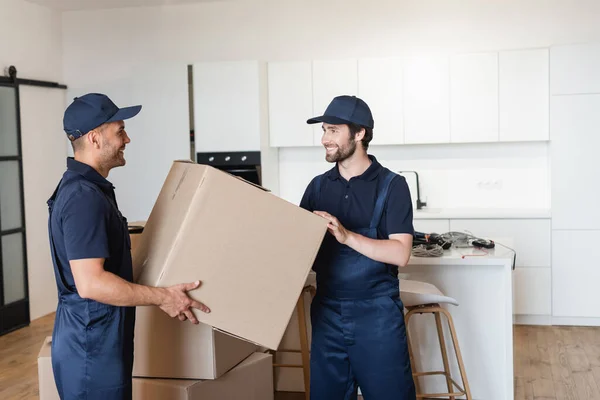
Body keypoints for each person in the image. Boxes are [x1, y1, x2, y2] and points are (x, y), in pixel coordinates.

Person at [47, 93, 210, 400]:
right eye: (119, 131)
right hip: (90, 349)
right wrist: (163, 297)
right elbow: (91, 283)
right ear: (95, 138)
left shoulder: (90, 189)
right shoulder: (84, 197)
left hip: (97, 340)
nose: (127, 139)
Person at [300, 95, 417, 399]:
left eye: (334, 130)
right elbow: (300, 253)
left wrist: (347, 235)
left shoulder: (393, 186)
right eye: (324, 130)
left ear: (360, 133)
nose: (325, 139)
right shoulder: (317, 187)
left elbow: (400, 253)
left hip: (376, 313)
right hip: (327, 311)